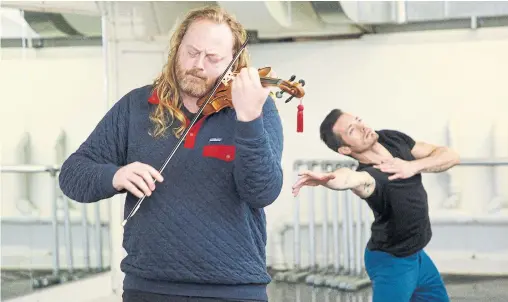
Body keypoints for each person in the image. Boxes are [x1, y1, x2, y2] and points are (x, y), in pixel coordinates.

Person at [59, 5, 284, 302]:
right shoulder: (136, 106)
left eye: (213, 58)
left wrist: (249, 119)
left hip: (234, 290)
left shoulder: (256, 108)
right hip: (148, 288)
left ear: (234, 63)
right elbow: (72, 175)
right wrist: (115, 175)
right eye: (191, 52)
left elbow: (262, 192)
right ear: (177, 48)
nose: (198, 64)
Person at [292, 109, 460, 302]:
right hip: (392, 262)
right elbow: (347, 178)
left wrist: (412, 166)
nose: (363, 127)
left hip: (417, 256)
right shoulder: (370, 176)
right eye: (352, 130)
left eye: (358, 120)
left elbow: (450, 155)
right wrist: (327, 180)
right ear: (345, 149)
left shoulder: (391, 138)